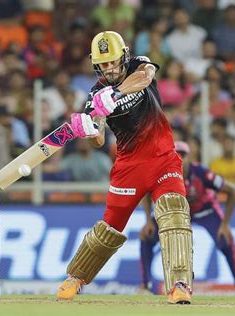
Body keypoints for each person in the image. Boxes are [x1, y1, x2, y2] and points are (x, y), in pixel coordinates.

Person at [57, 31, 193, 304]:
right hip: (129, 167)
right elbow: (97, 139)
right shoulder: (96, 94)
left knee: (175, 211)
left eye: (113, 62)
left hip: (163, 157)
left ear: (124, 56)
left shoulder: (139, 65)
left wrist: (116, 94)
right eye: (103, 65)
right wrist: (88, 126)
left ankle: (179, 285)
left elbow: (146, 77)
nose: (109, 68)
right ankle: (75, 278)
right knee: (110, 227)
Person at [139, 141, 235, 294]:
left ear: (190, 158)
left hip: (204, 211)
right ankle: (146, 286)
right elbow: (146, 192)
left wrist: (225, 224)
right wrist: (148, 221)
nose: (179, 159)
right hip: (176, 214)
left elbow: (233, 191)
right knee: (146, 237)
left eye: (183, 155)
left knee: (226, 240)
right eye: (175, 155)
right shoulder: (161, 173)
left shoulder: (202, 173)